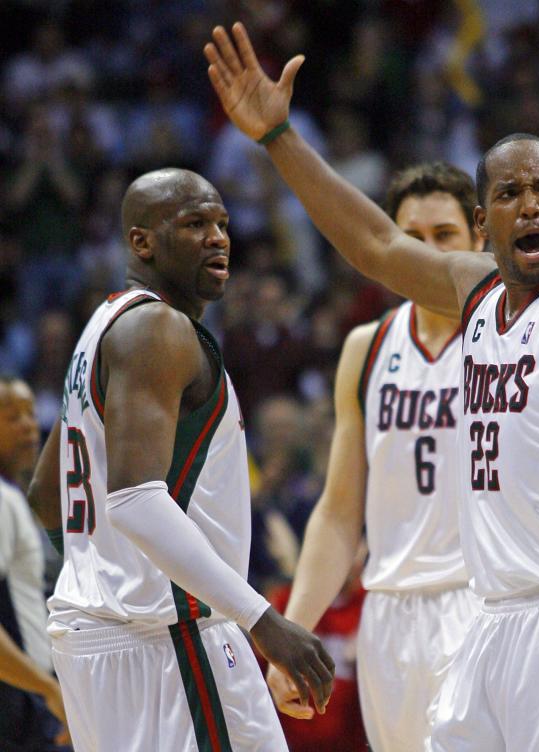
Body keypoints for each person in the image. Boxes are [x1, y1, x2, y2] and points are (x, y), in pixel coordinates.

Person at [205, 21, 539, 750]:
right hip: (492, 622)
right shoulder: (472, 292)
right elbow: (376, 244)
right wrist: (280, 138)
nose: (529, 204)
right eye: (509, 192)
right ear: (483, 222)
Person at [26, 168, 335, 752]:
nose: (218, 237)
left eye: (221, 223)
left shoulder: (103, 325)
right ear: (141, 241)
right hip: (171, 642)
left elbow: (49, 495)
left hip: (105, 641)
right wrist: (263, 622)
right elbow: (136, 500)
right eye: (194, 224)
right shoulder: (157, 330)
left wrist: (109, 583)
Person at [265, 162, 484, 751]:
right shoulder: (367, 348)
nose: (429, 255)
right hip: (386, 613)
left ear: (479, 241)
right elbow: (338, 514)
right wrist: (296, 631)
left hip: (481, 603)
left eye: (445, 237)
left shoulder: (506, 338)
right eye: (411, 240)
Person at [0, 376, 70, 749]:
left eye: (30, 413)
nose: (29, 425)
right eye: (12, 417)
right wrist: (48, 689)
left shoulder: (12, 496)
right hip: (18, 704)